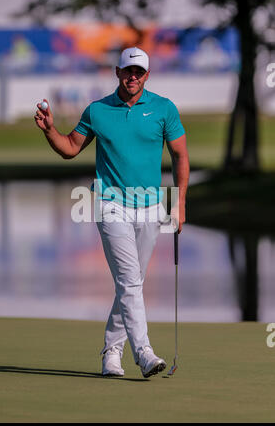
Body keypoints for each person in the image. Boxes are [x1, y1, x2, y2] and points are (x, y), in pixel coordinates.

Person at [34, 47, 190, 378]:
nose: (132, 76)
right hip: (110, 205)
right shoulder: (98, 110)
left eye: (139, 72)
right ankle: (144, 352)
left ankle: (111, 352)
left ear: (147, 75)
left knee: (131, 282)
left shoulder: (164, 109)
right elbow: (71, 149)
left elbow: (180, 156)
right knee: (130, 281)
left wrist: (179, 201)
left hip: (150, 206)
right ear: (117, 72)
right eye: (127, 71)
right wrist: (50, 130)